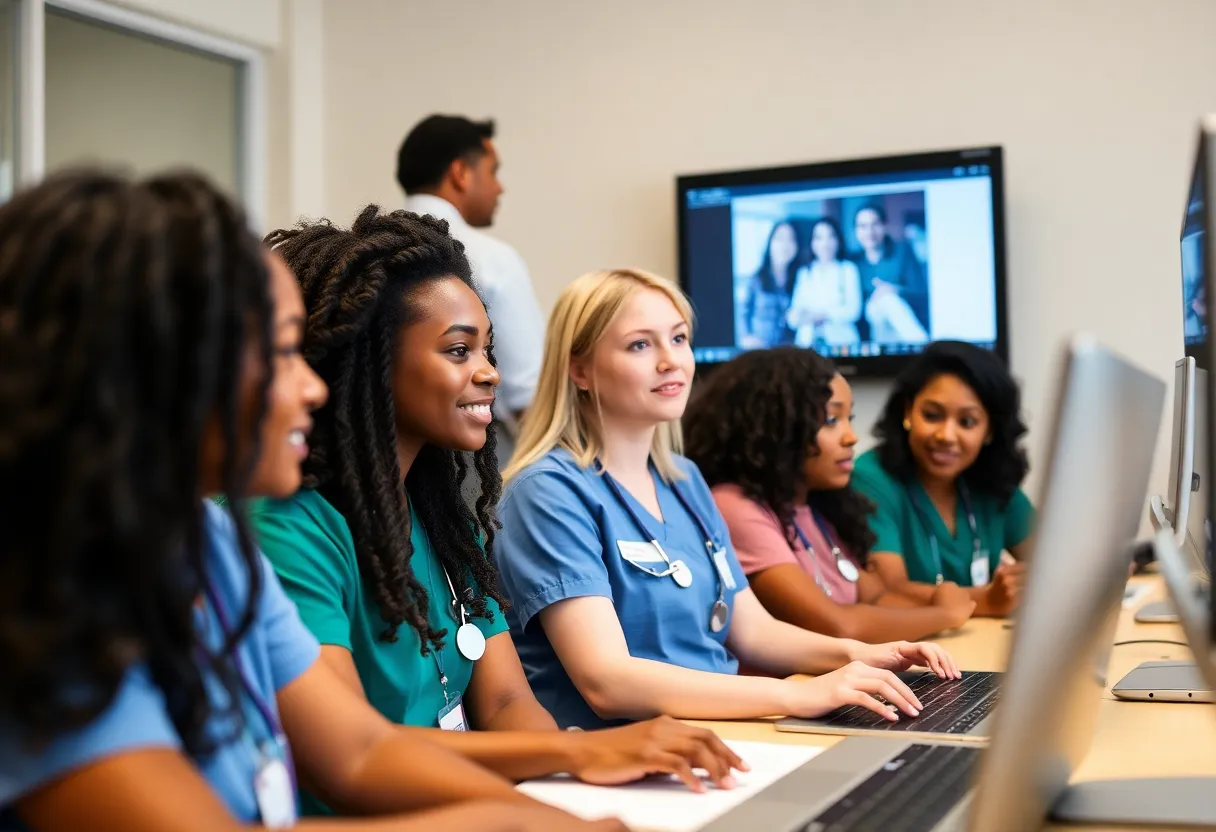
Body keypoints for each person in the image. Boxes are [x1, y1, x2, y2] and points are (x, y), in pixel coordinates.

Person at [0, 171, 622, 832]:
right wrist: (514, 823)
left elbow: (358, 750)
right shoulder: (37, 599)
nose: (314, 386)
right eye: (281, 351)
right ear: (156, 368)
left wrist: (548, 811)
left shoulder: (211, 540)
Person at [254, 208, 744, 810]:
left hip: (470, 805)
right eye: (459, 351)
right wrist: (580, 756)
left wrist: (574, 800)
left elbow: (509, 704)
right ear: (371, 362)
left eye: (487, 350)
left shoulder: (445, 520)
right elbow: (356, 755)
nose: (490, 373)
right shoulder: (291, 524)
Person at [494, 268, 960, 731]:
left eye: (678, 339)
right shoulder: (548, 492)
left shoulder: (684, 480)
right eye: (641, 344)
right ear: (579, 369)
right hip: (612, 761)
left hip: (715, 734)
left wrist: (861, 655)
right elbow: (607, 681)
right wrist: (794, 693)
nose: (670, 361)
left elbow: (752, 631)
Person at [683, 347, 976, 643]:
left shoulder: (816, 502)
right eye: (832, 420)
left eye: (849, 418)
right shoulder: (736, 506)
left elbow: (877, 597)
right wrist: (944, 615)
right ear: (775, 425)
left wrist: (943, 599)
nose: (852, 437)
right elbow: (837, 626)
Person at [396, 114, 544, 465]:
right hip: (476, 476)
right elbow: (529, 396)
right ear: (461, 173)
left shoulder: (363, 254)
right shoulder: (492, 260)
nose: (500, 187)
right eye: (493, 171)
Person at [852, 341, 1035, 618]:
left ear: (990, 430)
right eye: (932, 415)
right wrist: (986, 600)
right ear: (907, 412)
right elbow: (888, 591)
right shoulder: (870, 477)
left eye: (967, 422)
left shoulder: (994, 480)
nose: (946, 435)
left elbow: (1053, 565)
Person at [852, 203, 930, 344]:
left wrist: (894, 289)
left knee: (889, 299)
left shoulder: (902, 252)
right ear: (856, 231)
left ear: (885, 226)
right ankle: (922, 345)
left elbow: (920, 290)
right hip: (872, 323)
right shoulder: (853, 262)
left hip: (901, 318)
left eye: (875, 224)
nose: (870, 232)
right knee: (886, 301)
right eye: (863, 226)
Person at [785, 217, 862, 348]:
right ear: (812, 242)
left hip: (842, 343)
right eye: (819, 238)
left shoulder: (848, 269)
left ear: (838, 240)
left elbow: (853, 311)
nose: (825, 244)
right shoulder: (805, 272)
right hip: (808, 345)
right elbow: (794, 316)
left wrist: (821, 315)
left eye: (830, 237)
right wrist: (800, 317)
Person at [739, 220, 801, 349]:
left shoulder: (801, 278)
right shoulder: (757, 278)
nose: (785, 245)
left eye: (791, 239)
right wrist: (746, 337)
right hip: (758, 350)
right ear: (770, 243)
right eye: (780, 239)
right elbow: (743, 312)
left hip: (789, 354)